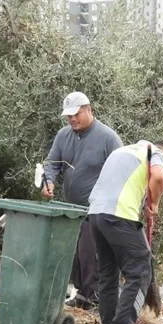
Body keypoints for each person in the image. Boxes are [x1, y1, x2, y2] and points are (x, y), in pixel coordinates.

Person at [86, 139, 163, 324]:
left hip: (96, 215)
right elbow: (159, 176)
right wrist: (153, 202)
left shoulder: (123, 151)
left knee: (109, 273)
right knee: (140, 270)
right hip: (119, 215)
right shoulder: (154, 152)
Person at [41, 92, 122, 309]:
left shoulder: (108, 138)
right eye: (68, 116)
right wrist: (48, 181)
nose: (72, 119)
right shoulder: (63, 135)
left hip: (97, 209)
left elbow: (122, 172)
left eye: (76, 114)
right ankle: (82, 295)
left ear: (88, 109)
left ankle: (96, 298)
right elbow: (52, 163)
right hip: (70, 207)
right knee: (75, 253)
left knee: (91, 254)